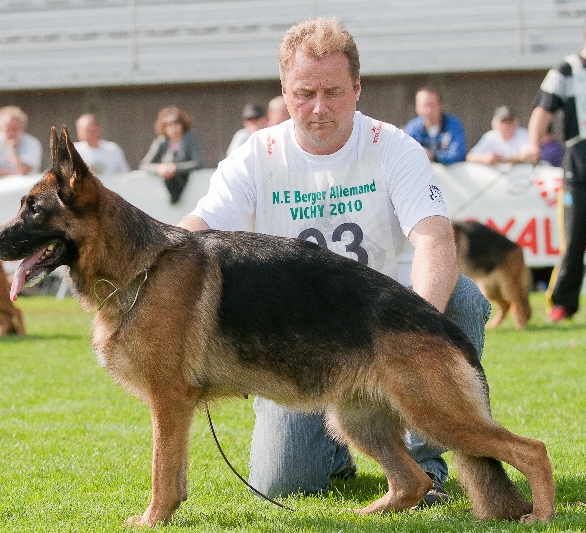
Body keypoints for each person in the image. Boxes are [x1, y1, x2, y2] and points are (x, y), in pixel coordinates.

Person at [179, 16, 490, 506]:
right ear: (284, 88)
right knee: (283, 483)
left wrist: (412, 336)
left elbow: (435, 241)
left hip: (382, 324)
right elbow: (196, 234)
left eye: (334, 92)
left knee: (464, 298)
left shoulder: (394, 147)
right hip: (294, 346)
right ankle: (344, 448)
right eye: (305, 93)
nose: (319, 109)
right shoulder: (254, 156)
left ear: (358, 88)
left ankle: (427, 462)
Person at [524, 10, 586, 322]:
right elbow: (542, 111)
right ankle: (562, 304)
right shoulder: (567, 69)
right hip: (579, 169)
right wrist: (534, 143)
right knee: (574, 243)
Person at [139, 106, 205, 204]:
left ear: (182, 124)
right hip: (166, 185)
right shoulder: (161, 141)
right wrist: (159, 168)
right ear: (163, 127)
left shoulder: (189, 138)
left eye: (176, 122)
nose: (173, 127)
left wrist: (175, 168)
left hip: (185, 183)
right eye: (168, 124)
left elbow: (198, 163)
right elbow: (144, 164)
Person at [404, 86, 467, 164]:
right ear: (417, 108)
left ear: (440, 105)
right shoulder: (412, 128)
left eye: (432, 105)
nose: (429, 110)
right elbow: (407, 156)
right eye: (425, 105)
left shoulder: (453, 125)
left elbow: (458, 155)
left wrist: (433, 157)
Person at [0, 106, 42, 177]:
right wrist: (14, 175)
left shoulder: (32, 142)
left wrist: (12, 151)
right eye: (8, 129)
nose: (12, 133)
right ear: (0, 128)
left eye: (15, 129)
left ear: (22, 127)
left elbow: (25, 170)